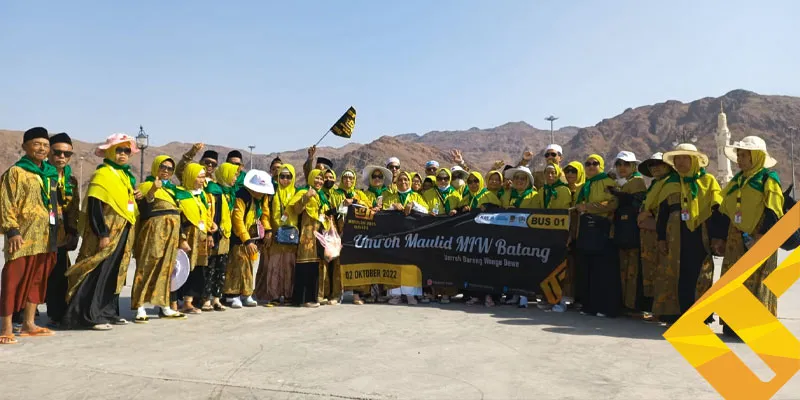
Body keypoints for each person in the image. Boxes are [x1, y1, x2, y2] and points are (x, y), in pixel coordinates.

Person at [64, 133, 140, 331]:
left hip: (122, 230)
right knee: (97, 270)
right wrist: (102, 233)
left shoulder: (125, 176)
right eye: (119, 150)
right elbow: (95, 207)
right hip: (106, 232)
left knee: (115, 271)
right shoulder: (103, 174)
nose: (123, 154)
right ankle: (89, 315)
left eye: (127, 150)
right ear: (110, 151)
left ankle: (108, 312)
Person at [715, 136, 783, 337]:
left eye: (745, 155)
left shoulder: (768, 179)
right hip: (735, 241)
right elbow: (724, 210)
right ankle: (731, 325)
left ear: (757, 156)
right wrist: (719, 238)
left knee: (756, 281)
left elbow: (774, 210)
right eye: (739, 154)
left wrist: (760, 237)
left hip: (759, 238)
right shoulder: (737, 181)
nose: (740, 159)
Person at [0, 127, 59, 344]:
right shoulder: (16, 172)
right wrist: (12, 231)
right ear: (25, 146)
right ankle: (5, 328)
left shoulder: (50, 174)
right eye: (37, 144)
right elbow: (5, 203)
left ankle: (29, 323)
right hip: (23, 237)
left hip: (45, 237)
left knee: (37, 280)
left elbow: (53, 207)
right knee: (12, 280)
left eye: (45, 145)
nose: (42, 148)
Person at [655, 144, 722, 325]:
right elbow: (663, 213)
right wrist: (661, 237)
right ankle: (676, 312)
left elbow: (717, 211)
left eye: (685, 158)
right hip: (675, 238)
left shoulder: (708, 182)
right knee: (677, 274)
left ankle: (702, 314)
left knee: (701, 273)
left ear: (694, 160)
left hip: (701, 236)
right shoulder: (671, 184)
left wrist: (717, 237)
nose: (681, 162)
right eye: (677, 158)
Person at [131, 155, 188, 321]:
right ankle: (140, 306)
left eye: (170, 168)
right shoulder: (146, 186)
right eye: (163, 167)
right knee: (148, 265)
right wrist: (152, 191)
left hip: (171, 233)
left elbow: (178, 213)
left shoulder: (172, 190)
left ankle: (164, 305)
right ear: (156, 167)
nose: (166, 171)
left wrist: (182, 236)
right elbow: (143, 209)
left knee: (167, 268)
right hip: (153, 231)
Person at [574, 154, 620, 317]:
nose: (591, 166)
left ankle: (604, 307)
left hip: (602, 229)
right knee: (587, 269)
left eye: (595, 163)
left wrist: (588, 207)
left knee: (602, 270)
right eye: (588, 164)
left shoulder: (607, 182)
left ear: (601, 165)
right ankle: (589, 306)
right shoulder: (584, 185)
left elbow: (613, 203)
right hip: (586, 230)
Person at [44, 132, 81, 328]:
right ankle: (20, 314)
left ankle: (57, 313)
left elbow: (74, 207)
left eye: (67, 154)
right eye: (57, 152)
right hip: (39, 234)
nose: (62, 157)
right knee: (35, 274)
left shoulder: (71, 180)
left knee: (60, 274)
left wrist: (73, 232)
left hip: (61, 235)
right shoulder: (40, 175)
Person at [224, 170, 273, 308]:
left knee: (250, 267)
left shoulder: (261, 198)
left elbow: (264, 214)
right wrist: (246, 240)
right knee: (237, 265)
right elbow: (237, 220)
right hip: (239, 237)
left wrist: (268, 229)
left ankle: (246, 293)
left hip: (252, 237)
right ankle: (232, 295)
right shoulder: (242, 196)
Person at [609, 151, 649, 315]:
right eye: (619, 164)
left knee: (633, 270)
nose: (622, 167)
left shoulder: (637, 182)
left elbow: (636, 204)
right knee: (623, 269)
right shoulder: (622, 183)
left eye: (626, 164)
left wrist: (621, 197)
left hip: (632, 231)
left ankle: (633, 305)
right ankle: (625, 303)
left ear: (633, 166)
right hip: (622, 230)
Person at [637, 152, 675, 322]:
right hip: (648, 235)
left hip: (661, 233)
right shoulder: (654, 184)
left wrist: (648, 214)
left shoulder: (671, 183)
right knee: (651, 270)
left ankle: (663, 310)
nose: (656, 168)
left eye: (659, 164)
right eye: (652, 165)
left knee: (663, 271)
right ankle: (654, 308)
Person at [382, 171, 429, 305]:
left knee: (410, 264)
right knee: (395, 264)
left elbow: (426, 211)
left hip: (412, 236)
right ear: (396, 183)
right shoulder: (391, 197)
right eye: (400, 180)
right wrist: (392, 207)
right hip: (395, 237)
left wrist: (414, 205)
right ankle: (395, 294)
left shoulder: (416, 196)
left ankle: (410, 294)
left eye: (406, 180)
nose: (403, 182)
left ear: (409, 181)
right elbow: (382, 213)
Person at [457, 171, 501, 307]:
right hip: (472, 238)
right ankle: (476, 295)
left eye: (476, 181)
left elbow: (499, 211)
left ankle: (490, 295)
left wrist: (488, 208)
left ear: (481, 182)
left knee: (488, 266)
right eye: (470, 182)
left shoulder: (488, 195)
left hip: (488, 238)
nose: (473, 184)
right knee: (474, 266)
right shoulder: (468, 197)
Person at [289, 169, 331, 308]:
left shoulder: (321, 196)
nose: (319, 181)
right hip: (306, 236)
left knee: (315, 267)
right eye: (316, 178)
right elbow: (296, 209)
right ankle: (302, 299)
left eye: (321, 179)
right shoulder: (302, 192)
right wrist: (306, 197)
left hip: (318, 235)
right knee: (305, 266)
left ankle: (313, 297)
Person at [177, 163, 214, 315]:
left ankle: (190, 301)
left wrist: (210, 229)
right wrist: (182, 238)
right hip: (188, 236)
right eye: (199, 176)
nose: (202, 180)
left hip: (201, 236)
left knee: (198, 268)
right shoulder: (180, 195)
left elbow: (205, 214)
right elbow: (179, 219)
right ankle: (182, 301)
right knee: (185, 268)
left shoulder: (201, 194)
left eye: (203, 177)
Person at [329, 169, 370, 304]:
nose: (348, 180)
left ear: (354, 180)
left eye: (351, 178)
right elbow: (330, 210)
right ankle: (336, 294)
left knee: (355, 263)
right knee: (338, 264)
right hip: (340, 233)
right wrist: (342, 205)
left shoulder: (359, 194)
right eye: (345, 178)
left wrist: (354, 201)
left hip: (356, 234)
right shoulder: (335, 194)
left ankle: (356, 294)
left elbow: (368, 206)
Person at [500, 166, 538, 306]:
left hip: (527, 236)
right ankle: (512, 294)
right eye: (516, 178)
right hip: (510, 235)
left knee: (525, 266)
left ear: (528, 181)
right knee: (511, 265)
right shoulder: (508, 193)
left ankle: (524, 297)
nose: (519, 181)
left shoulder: (534, 195)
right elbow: (502, 206)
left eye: (523, 178)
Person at [204, 162, 240, 311]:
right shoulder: (213, 190)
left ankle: (216, 299)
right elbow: (210, 212)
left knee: (221, 268)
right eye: (234, 174)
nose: (235, 178)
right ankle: (206, 299)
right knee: (209, 267)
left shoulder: (229, 192)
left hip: (225, 235)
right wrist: (210, 232)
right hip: (215, 233)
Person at [262, 164, 299, 306]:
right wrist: (268, 230)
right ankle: (274, 296)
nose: (285, 180)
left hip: (291, 236)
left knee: (289, 266)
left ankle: (289, 295)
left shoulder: (297, 192)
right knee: (275, 266)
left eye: (288, 177)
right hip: (276, 235)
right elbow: (266, 213)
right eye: (282, 176)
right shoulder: (272, 193)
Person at [562, 161, 585, 307]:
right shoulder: (562, 190)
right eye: (568, 171)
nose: (570, 174)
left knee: (579, 264)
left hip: (580, 230)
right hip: (565, 230)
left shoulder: (584, 189)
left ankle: (579, 297)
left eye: (574, 171)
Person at [316, 168, 340, 305]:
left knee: (336, 263)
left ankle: (336, 294)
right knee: (323, 263)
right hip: (321, 232)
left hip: (335, 233)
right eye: (326, 177)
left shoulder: (337, 194)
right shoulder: (319, 194)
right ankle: (322, 294)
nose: (329, 179)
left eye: (332, 177)